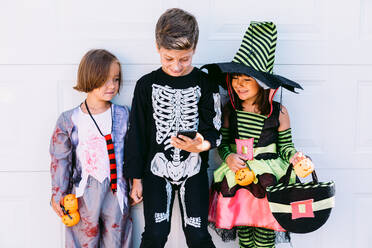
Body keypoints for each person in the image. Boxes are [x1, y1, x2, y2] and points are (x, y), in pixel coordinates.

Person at [123, 8, 221, 248]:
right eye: (168, 58)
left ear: (194, 49)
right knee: (155, 234)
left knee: (198, 236)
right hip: (156, 169)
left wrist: (202, 144)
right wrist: (136, 179)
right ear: (158, 48)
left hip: (194, 168)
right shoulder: (146, 85)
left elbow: (215, 128)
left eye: (184, 59)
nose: (176, 66)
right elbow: (136, 133)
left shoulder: (206, 83)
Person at [203, 22, 306, 248]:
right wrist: (229, 157)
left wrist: (295, 159)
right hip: (238, 177)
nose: (239, 84)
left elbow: (286, 147)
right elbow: (224, 143)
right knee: (245, 234)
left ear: (261, 84)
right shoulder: (231, 110)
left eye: (246, 79)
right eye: (236, 78)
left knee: (264, 233)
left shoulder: (278, 112)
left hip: (267, 179)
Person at [50, 49, 132, 247]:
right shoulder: (69, 120)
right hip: (83, 194)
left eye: (116, 79)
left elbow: (133, 152)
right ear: (90, 78)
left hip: (116, 191)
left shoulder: (122, 115)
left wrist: (137, 183)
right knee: (83, 239)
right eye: (105, 79)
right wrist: (57, 193)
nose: (112, 85)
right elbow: (60, 160)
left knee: (116, 239)